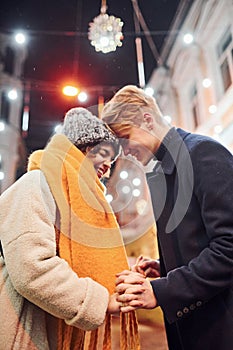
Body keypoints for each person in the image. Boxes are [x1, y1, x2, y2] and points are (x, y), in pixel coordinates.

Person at [101, 85, 233, 350]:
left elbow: (228, 247)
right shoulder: (163, 172)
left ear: (147, 119)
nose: (124, 152)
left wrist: (161, 290)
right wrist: (166, 266)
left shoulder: (203, 153)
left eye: (125, 138)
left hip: (221, 325)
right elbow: (202, 240)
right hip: (193, 326)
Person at [0, 107, 140, 350]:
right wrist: (100, 300)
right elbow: (32, 268)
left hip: (56, 330)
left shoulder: (73, 202)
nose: (107, 166)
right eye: (103, 153)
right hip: (25, 330)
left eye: (112, 160)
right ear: (80, 148)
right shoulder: (36, 184)